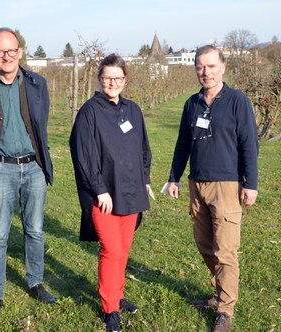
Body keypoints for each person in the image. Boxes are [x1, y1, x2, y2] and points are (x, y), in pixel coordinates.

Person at [0, 27, 55, 324]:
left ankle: (36, 283)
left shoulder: (37, 83)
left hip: (34, 168)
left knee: (35, 230)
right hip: (0, 168)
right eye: (0, 51)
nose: (7, 56)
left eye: (12, 49)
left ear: (20, 51)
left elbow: (40, 124)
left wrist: (38, 162)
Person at [166, 45, 258, 332]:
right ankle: (219, 292)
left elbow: (248, 144)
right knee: (206, 245)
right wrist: (174, 177)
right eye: (200, 66)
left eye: (211, 66)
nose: (205, 72)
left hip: (227, 185)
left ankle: (225, 310)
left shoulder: (237, 101)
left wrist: (250, 183)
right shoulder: (191, 103)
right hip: (197, 184)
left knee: (226, 250)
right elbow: (183, 143)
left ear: (223, 67)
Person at [69, 54, 152, 332]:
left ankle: (117, 296)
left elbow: (143, 148)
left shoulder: (133, 110)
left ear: (125, 79)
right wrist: (99, 189)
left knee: (124, 250)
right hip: (104, 196)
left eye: (118, 78)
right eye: (107, 78)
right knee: (112, 250)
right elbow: (83, 155)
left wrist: (146, 178)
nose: (112, 83)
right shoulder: (90, 111)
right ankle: (109, 308)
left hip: (131, 191)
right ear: (99, 79)